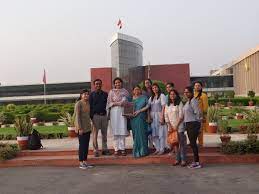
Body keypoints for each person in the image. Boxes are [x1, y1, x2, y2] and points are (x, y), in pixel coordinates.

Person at [107, 77, 130, 156]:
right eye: (116, 83)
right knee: (115, 131)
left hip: (122, 112)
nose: (117, 84)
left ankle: (123, 148)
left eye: (119, 82)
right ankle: (116, 149)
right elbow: (109, 103)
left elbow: (127, 102)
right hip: (113, 112)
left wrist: (116, 103)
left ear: (121, 83)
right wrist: (118, 103)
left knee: (122, 130)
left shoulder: (125, 92)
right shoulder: (111, 92)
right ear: (114, 84)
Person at [164, 89, 187, 166]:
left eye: (173, 94)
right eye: (170, 94)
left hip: (179, 126)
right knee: (175, 144)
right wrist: (169, 125)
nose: (172, 96)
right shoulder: (167, 104)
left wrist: (176, 126)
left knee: (181, 143)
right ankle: (177, 159)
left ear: (176, 95)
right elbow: (166, 116)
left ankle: (183, 160)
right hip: (171, 127)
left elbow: (181, 115)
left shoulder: (179, 103)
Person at [89, 79, 111, 157]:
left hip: (104, 116)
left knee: (104, 134)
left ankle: (105, 149)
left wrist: (108, 115)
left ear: (101, 85)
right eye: (96, 84)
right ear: (94, 85)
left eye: (99, 84)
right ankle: (96, 150)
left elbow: (108, 105)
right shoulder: (91, 95)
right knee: (95, 134)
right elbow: (90, 107)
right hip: (95, 117)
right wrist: (91, 117)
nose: (98, 85)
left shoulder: (105, 94)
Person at [183, 86, 202, 169]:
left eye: (187, 92)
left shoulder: (194, 101)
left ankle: (197, 162)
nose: (186, 93)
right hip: (189, 124)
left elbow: (198, 113)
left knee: (193, 144)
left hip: (193, 124)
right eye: (185, 92)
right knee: (192, 143)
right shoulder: (188, 101)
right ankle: (196, 161)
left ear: (191, 93)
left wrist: (197, 124)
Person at [74, 89, 94, 169]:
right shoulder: (78, 103)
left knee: (86, 145)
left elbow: (88, 116)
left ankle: (85, 161)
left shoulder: (88, 103)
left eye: (87, 94)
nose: (86, 95)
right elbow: (77, 117)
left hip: (87, 127)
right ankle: (81, 162)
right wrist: (79, 128)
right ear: (81, 95)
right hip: (81, 128)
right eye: (84, 94)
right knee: (82, 145)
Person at [131, 85, 149, 158]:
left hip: (141, 117)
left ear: (140, 90)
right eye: (135, 89)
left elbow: (148, 106)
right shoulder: (131, 98)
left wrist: (140, 111)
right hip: (133, 119)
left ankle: (143, 151)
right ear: (133, 91)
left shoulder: (144, 97)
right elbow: (128, 108)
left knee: (142, 134)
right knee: (135, 134)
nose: (137, 91)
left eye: (138, 89)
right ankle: (136, 151)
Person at [149, 83, 167, 155]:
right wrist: (149, 116)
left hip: (160, 115)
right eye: (153, 88)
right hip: (153, 116)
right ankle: (157, 148)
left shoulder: (162, 96)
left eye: (156, 87)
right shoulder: (151, 97)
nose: (154, 89)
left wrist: (162, 117)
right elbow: (148, 107)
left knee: (161, 133)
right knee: (154, 133)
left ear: (158, 88)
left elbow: (163, 107)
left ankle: (162, 149)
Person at [194, 81, 208, 147]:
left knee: (199, 130)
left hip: (200, 116)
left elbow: (205, 107)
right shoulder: (192, 95)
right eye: (196, 85)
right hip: (192, 116)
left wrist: (204, 116)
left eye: (198, 85)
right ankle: (193, 142)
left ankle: (200, 143)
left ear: (201, 87)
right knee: (193, 130)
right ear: (194, 87)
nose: (197, 87)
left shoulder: (203, 95)